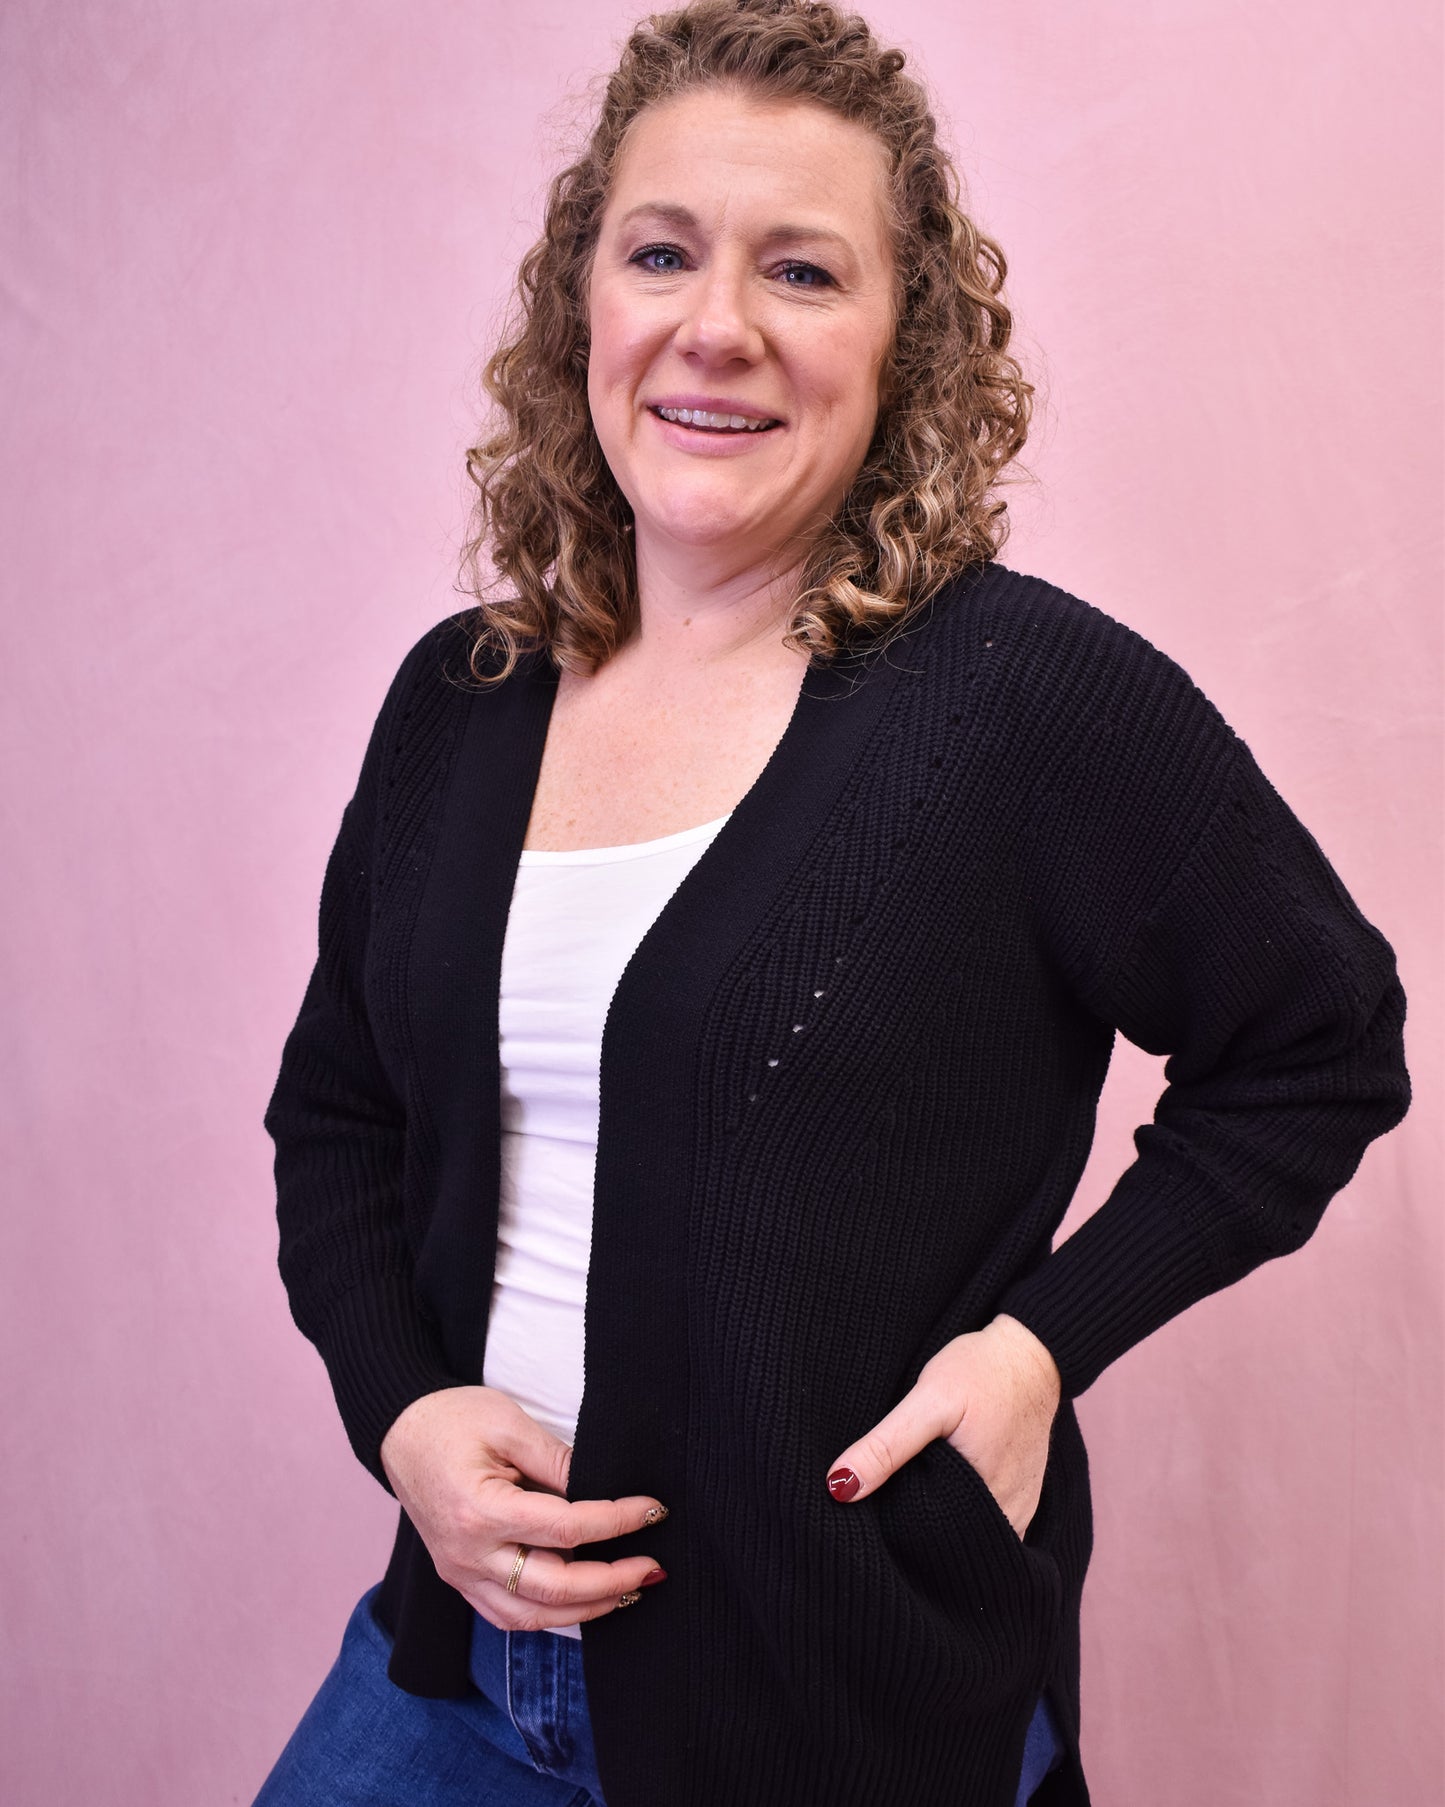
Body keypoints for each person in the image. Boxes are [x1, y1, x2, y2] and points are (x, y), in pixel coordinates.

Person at [256, 2, 1410, 1804]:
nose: (715, 326)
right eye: (661, 253)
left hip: (846, 1700)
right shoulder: (460, 703)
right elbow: (335, 1115)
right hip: (458, 1679)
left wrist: (1040, 1350)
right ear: (585, 308)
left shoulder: (1026, 706)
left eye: (801, 271)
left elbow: (1319, 1047)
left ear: (901, 348)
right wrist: (401, 1414)